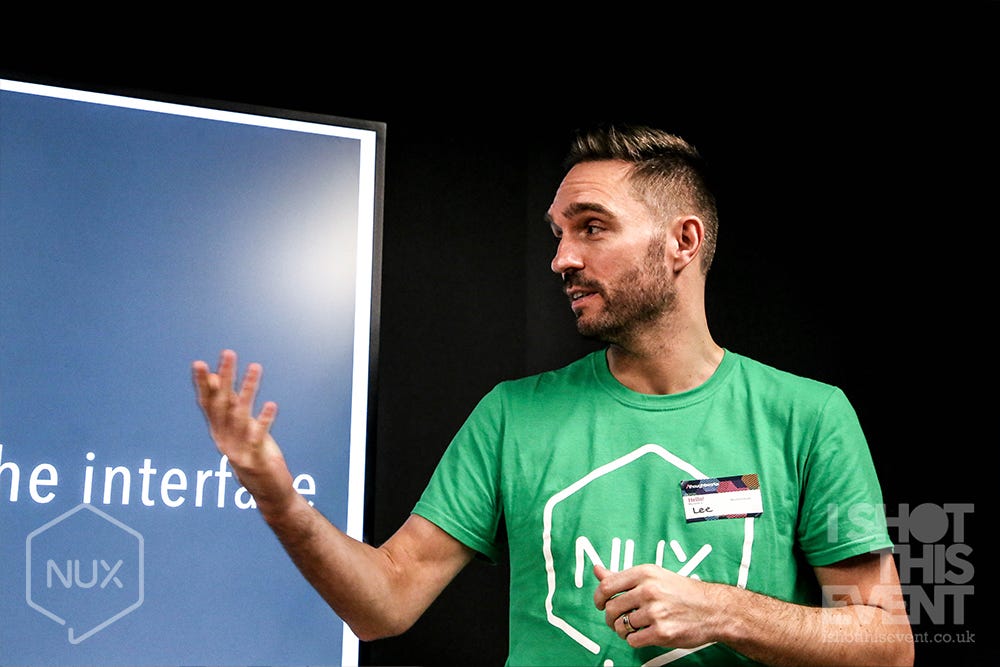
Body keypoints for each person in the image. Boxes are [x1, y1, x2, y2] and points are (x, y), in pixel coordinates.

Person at [192, 124, 913, 666]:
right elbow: (384, 603)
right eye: (559, 233)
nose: (562, 258)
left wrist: (721, 609)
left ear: (682, 241)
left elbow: (886, 638)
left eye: (592, 227)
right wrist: (280, 503)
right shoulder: (513, 414)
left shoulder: (809, 416)